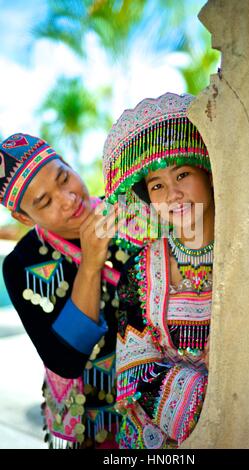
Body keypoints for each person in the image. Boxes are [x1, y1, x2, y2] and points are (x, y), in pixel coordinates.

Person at [0, 132, 131, 448]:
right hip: (89, 425)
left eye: (64, 178)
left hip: (157, 406)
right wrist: (91, 265)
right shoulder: (22, 264)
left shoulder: (128, 216)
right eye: (44, 202)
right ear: (22, 216)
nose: (69, 199)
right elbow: (66, 360)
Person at [102, 92, 214, 449]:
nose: (173, 194)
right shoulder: (140, 269)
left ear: (209, 175)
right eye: (157, 185)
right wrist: (208, 404)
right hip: (157, 439)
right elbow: (136, 372)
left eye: (183, 174)